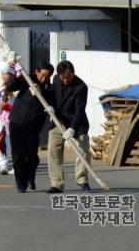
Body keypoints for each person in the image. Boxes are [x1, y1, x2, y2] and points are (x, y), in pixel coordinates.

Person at [7, 62, 54, 193]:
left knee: (32, 156)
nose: (44, 78)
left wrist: (41, 91)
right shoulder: (27, 79)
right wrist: (17, 75)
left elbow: (50, 99)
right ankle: (21, 184)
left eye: (47, 76)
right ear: (36, 71)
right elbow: (10, 87)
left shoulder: (48, 87)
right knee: (18, 155)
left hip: (33, 127)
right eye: (42, 75)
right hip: (17, 123)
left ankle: (30, 176)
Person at [46, 60, 91, 193]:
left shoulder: (81, 87)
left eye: (68, 77)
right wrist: (51, 107)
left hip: (76, 121)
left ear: (73, 73)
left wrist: (72, 128)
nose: (65, 81)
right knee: (53, 150)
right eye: (62, 78)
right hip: (58, 120)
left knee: (83, 149)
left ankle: (82, 179)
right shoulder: (56, 79)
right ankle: (56, 183)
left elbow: (79, 110)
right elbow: (52, 95)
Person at [0, 64, 16, 176]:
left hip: (12, 119)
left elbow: (18, 104)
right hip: (0, 119)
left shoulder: (16, 89)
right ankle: (3, 164)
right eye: (2, 73)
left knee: (12, 143)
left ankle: (17, 165)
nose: (4, 76)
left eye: (6, 73)